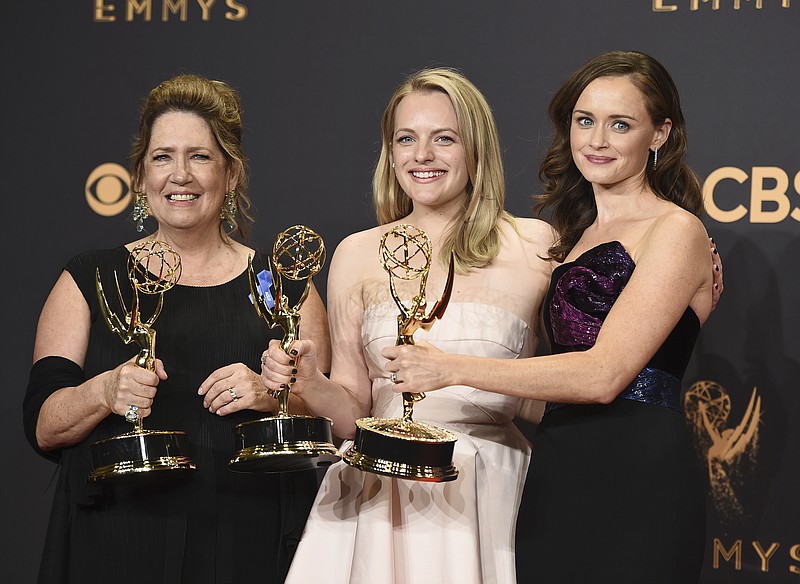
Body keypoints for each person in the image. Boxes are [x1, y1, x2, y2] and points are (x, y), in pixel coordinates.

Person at [384, 51, 713, 583]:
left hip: (639, 476)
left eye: (620, 124)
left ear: (660, 134)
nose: (597, 141)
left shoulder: (676, 231)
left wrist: (449, 367)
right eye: (585, 121)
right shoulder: (572, 238)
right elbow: (543, 387)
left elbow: (602, 375)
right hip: (557, 472)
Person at [22, 73, 331, 584]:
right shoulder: (89, 278)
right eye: (163, 157)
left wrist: (270, 396)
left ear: (230, 175)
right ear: (141, 177)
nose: (180, 175)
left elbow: (328, 419)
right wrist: (103, 390)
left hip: (248, 540)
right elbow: (44, 425)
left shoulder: (282, 281)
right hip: (117, 541)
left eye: (201, 157)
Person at [262, 68, 556, 583]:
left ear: (477, 149)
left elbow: (555, 391)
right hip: (377, 491)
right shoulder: (355, 253)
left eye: (444, 138)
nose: (422, 156)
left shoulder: (534, 245)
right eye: (406, 138)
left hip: (485, 490)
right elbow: (353, 412)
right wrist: (309, 384)